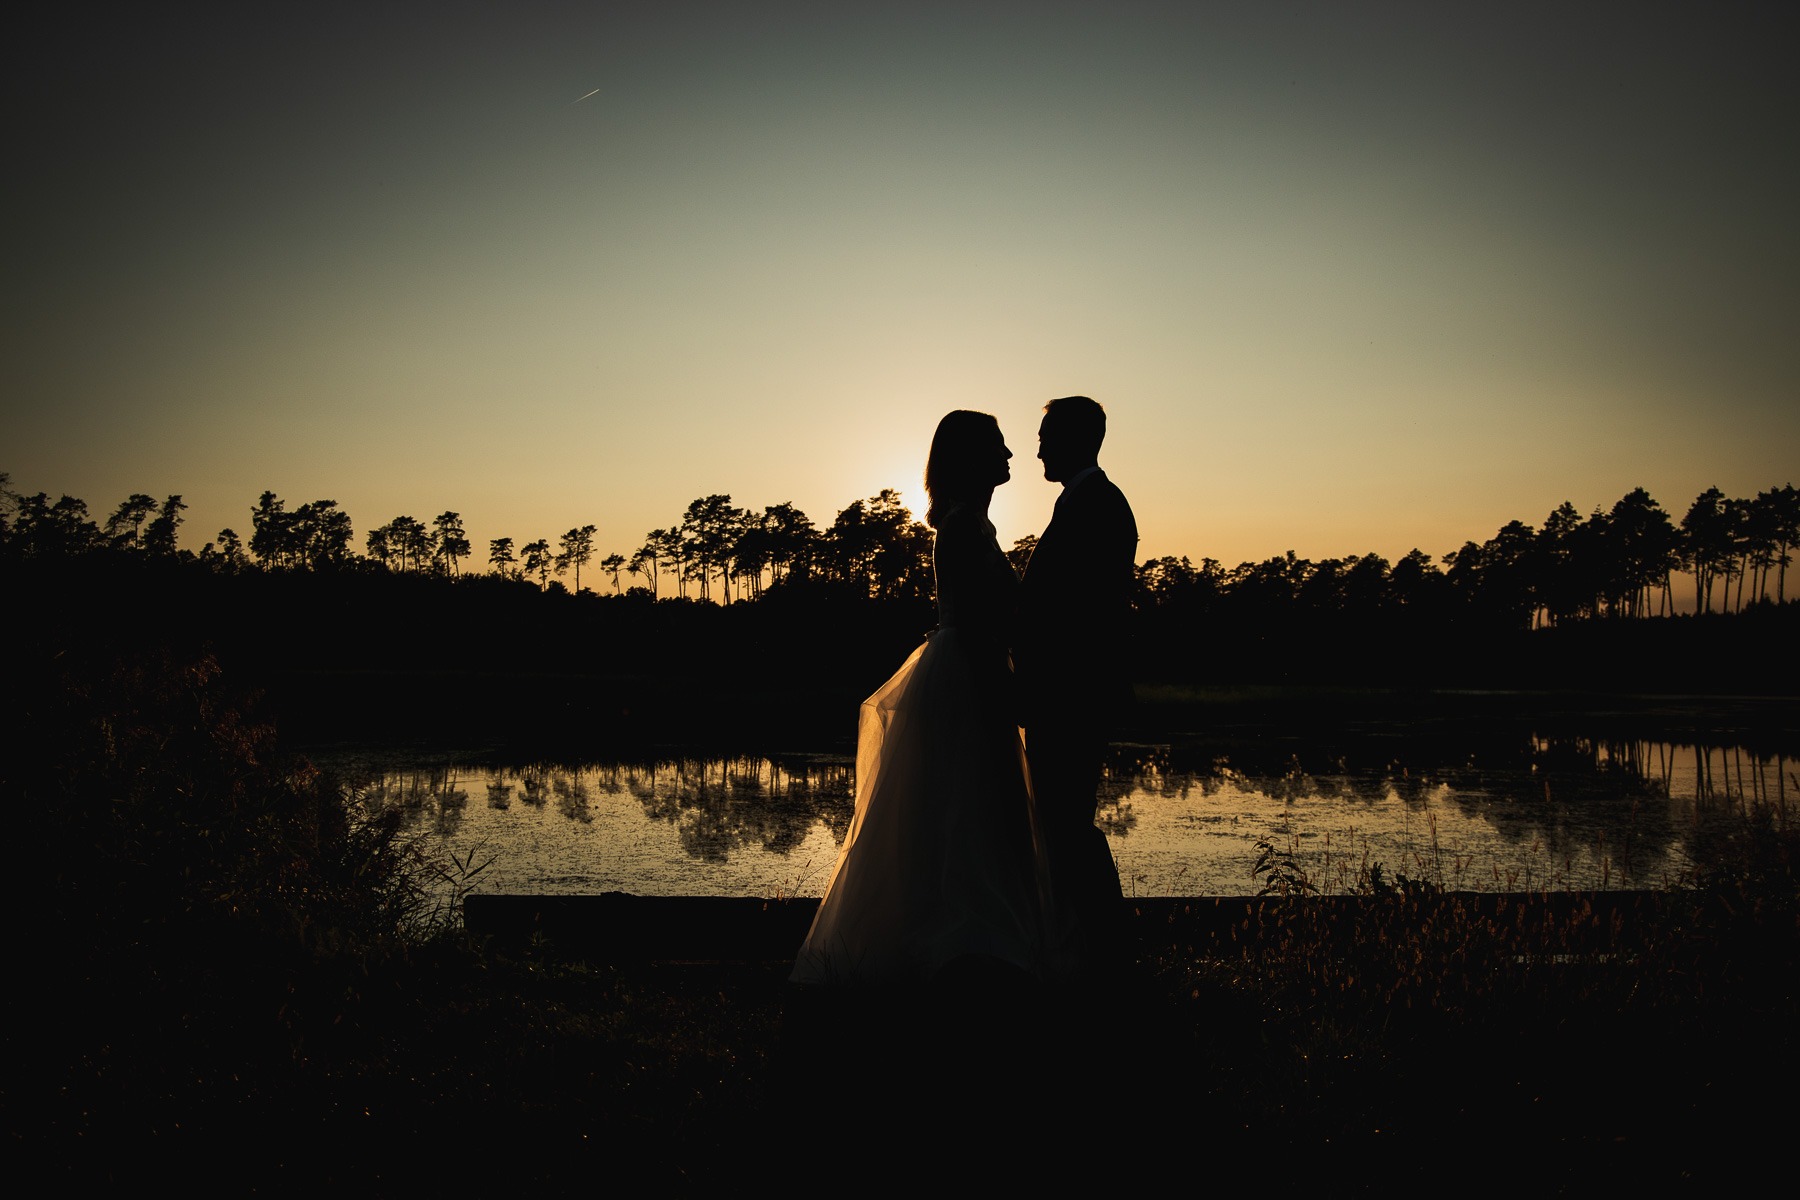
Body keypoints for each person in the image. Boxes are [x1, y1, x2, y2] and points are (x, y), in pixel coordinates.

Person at [791, 411, 1053, 985]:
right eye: (999, 448)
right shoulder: (961, 527)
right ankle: (961, 943)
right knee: (962, 804)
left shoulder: (973, 524)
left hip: (976, 669)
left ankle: (975, 941)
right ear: (972, 460)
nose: (1010, 457)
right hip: (966, 675)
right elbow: (998, 608)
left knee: (974, 807)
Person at [1013, 395, 1137, 968]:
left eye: (1045, 436)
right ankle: (1090, 949)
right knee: (1062, 825)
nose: (1038, 446)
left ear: (1072, 439)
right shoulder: (1084, 502)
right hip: (1062, 697)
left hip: (1071, 699)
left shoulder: (1099, 505)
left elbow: (1081, 614)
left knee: (1068, 827)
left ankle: (1108, 952)